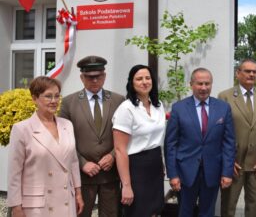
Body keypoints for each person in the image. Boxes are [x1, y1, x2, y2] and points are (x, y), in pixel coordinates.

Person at [7, 76, 84, 217]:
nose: (54, 101)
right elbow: (14, 173)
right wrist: (16, 207)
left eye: (57, 96)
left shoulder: (67, 125)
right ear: (34, 98)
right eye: (48, 96)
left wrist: (78, 193)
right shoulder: (22, 129)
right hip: (38, 206)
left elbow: (73, 162)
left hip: (66, 200)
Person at [165, 67, 235, 217]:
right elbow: (170, 144)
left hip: (212, 172)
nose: (204, 88)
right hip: (185, 173)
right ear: (191, 84)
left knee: (207, 213)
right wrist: (173, 175)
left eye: (207, 84)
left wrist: (227, 172)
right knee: (185, 212)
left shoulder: (223, 108)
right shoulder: (179, 108)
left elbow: (229, 143)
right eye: (199, 83)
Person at [60, 56, 124, 217]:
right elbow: (63, 139)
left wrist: (113, 156)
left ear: (105, 76)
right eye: (89, 77)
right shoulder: (68, 103)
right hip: (83, 176)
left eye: (98, 76)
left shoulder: (119, 101)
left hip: (110, 174)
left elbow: (126, 135)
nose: (94, 80)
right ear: (82, 77)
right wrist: (82, 163)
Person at [219, 59, 256, 217]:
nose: (251, 74)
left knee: (253, 207)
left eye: (255, 72)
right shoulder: (225, 96)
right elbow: (219, 132)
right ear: (238, 73)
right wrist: (226, 161)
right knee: (228, 207)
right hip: (233, 164)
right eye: (247, 71)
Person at [112, 64, 165, 217]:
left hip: (155, 164)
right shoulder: (126, 109)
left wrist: (160, 165)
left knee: (155, 210)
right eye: (139, 79)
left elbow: (157, 139)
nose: (144, 82)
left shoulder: (158, 105)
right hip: (136, 168)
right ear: (132, 83)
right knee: (138, 212)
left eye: (147, 78)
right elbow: (120, 150)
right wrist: (127, 185)